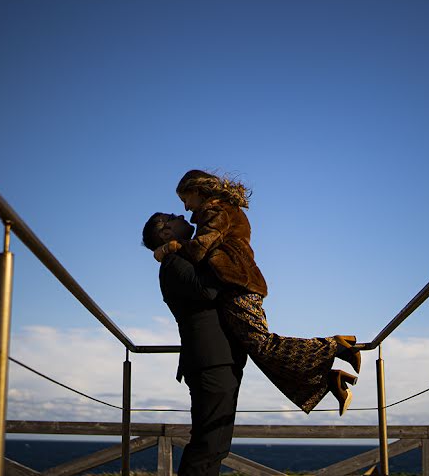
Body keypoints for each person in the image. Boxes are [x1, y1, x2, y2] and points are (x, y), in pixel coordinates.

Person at [153, 169, 361, 415]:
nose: (186, 208)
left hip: (237, 283)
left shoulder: (216, 211)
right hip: (241, 282)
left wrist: (171, 248)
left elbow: (200, 249)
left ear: (198, 191)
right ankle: (330, 380)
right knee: (258, 348)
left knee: (262, 344)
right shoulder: (221, 210)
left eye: (185, 199)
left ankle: (336, 347)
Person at [143, 211, 247, 476]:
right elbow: (207, 290)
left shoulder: (181, 258)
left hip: (220, 359)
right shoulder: (172, 263)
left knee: (217, 445)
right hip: (209, 361)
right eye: (173, 216)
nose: (181, 215)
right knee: (207, 445)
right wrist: (223, 260)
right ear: (166, 233)